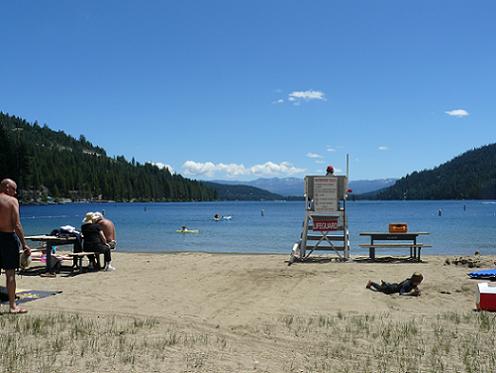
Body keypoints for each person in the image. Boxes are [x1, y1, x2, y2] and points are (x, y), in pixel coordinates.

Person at [0, 178, 31, 313]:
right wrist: (24, 244)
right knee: (10, 274)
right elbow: (16, 224)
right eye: (14, 189)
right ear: (7, 187)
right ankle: (12, 306)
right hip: (7, 238)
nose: (15, 192)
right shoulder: (12, 201)